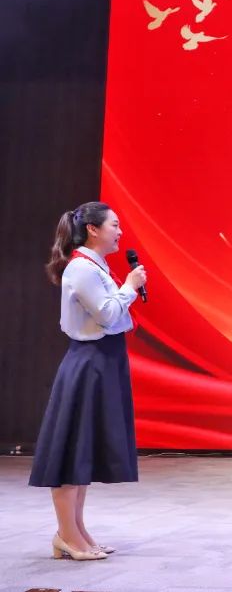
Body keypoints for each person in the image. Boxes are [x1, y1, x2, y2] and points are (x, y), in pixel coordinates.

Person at [30, 202, 147, 561]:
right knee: (71, 450)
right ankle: (67, 533)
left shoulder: (94, 266)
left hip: (104, 360)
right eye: (114, 225)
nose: (120, 232)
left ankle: (75, 530)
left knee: (83, 450)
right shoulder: (81, 268)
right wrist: (130, 287)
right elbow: (108, 314)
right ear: (93, 230)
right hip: (89, 362)